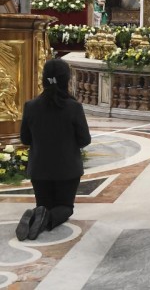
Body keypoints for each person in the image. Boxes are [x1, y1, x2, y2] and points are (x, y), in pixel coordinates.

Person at [16, 59, 91, 241]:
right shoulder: (73, 107)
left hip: (39, 170)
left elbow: (25, 139)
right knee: (65, 207)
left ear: (43, 79)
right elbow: (85, 140)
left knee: (44, 204)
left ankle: (36, 215)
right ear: (67, 80)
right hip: (67, 170)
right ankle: (45, 219)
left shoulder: (30, 106)